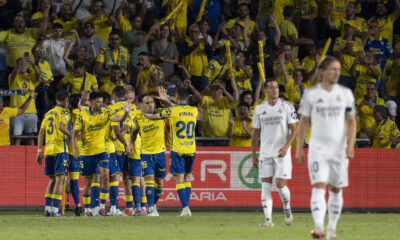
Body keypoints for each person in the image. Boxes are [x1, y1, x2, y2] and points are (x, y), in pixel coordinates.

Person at [296, 56, 357, 239]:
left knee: (336, 189)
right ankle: (318, 228)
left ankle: (331, 228)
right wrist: (299, 148)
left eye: (338, 69)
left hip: (339, 150)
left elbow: (352, 122)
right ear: (322, 71)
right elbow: (303, 122)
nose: (337, 72)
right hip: (318, 149)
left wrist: (350, 146)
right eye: (333, 69)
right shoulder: (311, 94)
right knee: (318, 186)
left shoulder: (345, 93)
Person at [141, 87, 198, 216]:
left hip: (177, 150)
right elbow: (179, 109)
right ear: (187, 98)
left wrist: (142, 113)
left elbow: (153, 117)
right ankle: (187, 207)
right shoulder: (194, 111)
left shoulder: (172, 112)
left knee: (178, 179)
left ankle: (185, 208)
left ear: (176, 98)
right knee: (187, 178)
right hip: (191, 149)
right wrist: (166, 100)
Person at [72, 91, 129, 216]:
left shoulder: (106, 111)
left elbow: (118, 119)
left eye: (102, 102)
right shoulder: (82, 114)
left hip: (102, 151)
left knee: (105, 177)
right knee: (88, 182)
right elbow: (75, 134)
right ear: (91, 102)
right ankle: (87, 210)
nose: (100, 104)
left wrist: (126, 112)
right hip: (87, 152)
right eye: (98, 102)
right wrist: (74, 149)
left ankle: (102, 208)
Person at [251, 79, 297, 227]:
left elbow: (294, 129)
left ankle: (287, 206)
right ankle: (268, 220)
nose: (275, 90)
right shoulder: (259, 109)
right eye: (271, 87)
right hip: (265, 153)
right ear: (265, 90)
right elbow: (255, 133)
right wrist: (253, 154)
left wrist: (286, 147)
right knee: (265, 186)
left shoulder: (287, 106)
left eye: (276, 87)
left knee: (280, 185)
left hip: (282, 153)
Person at [126, 92, 170, 216]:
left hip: (160, 153)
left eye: (152, 102)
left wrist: (165, 100)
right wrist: (130, 144)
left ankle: (154, 206)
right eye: (147, 103)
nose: (150, 105)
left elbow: (173, 110)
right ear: (140, 105)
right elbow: (134, 132)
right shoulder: (138, 117)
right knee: (149, 181)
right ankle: (150, 208)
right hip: (146, 154)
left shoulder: (161, 113)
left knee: (159, 184)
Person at [36, 91, 71, 217]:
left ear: (56, 99)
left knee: (51, 180)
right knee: (60, 180)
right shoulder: (65, 112)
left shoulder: (48, 114)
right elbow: (62, 126)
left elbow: (40, 133)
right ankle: (56, 210)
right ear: (67, 100)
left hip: (49, 149)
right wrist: (72, 135)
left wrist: (40, 151)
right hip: (60, 149)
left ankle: (48, 209)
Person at [9, 57, 41, 146]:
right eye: (21, 64)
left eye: (25, 64)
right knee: (17, 138)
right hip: (17, 112)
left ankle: (33, 159)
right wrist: (19, 65)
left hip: (31, 112)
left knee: (31, 137)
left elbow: (38, 76)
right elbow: (13, 76)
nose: (23, 66)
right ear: (17, 66)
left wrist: (33, 64)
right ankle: (14, 158)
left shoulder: (31, 77)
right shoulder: (12, 77)